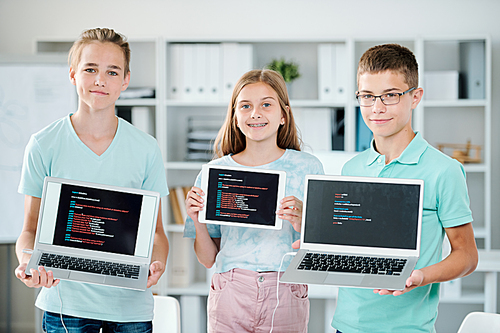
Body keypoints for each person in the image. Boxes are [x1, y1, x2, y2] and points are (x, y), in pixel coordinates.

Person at [14, 28, 169, 332]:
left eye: (112, 71)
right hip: (64, 305)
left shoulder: (146, 148)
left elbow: (157, 233)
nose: (100, 80)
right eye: (90, 69)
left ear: (125, 80)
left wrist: (157, 265)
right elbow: (29, 230)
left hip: (130, 309)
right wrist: (29, 261)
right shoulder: (44, 144)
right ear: (73, 74)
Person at [330, 44, 478, 332]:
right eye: (367, 96)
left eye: (390, 95)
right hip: (346, 325)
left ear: (415, 97)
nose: (377, 108)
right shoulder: (352, 169)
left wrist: (420, 276)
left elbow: (467, 255)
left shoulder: (444, 171)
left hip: (407, 328)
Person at [184, 69, 324, 333]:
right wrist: (196, 220)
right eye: (245, 106)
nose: (255, 113)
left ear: (283, 115)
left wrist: (304, 222)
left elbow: (320, 253)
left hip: (286, 291)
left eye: (266, 105)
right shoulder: (214, 172)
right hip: (230, 292)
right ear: (236, 117)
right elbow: (206, 259)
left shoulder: (308, 167)